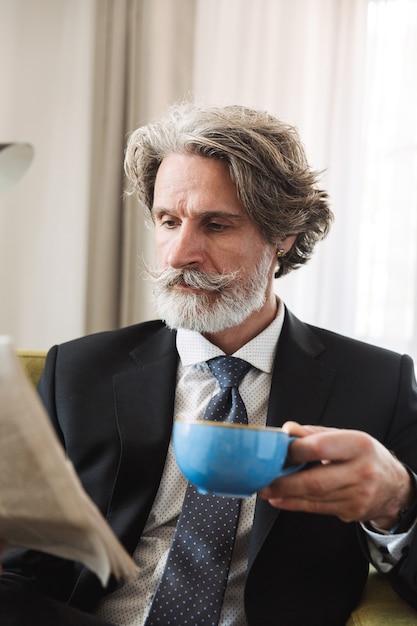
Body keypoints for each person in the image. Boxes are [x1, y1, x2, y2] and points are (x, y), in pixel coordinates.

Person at [1, 102, 417, 626]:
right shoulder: (79, 373)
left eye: (215, 225)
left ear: (282, 236)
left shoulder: (376, 383)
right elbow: (16, 575)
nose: (179, 253)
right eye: (168, 221)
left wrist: (397, 502)